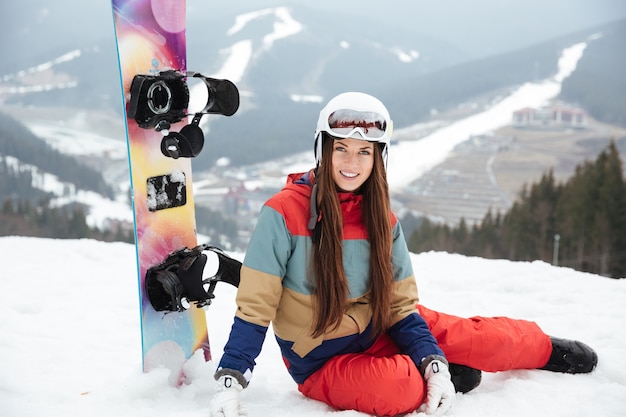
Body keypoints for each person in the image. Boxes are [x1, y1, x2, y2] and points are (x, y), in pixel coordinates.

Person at [209, 92, 598, 417]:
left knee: (475, 337)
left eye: (364, 152)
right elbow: (254, 307)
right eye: (340, 148)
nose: (351, 162)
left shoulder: (382, 219)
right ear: (322, 149)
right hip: (322, 362)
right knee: (398, 389)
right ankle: (436, 370)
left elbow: (400, 304)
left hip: (382, 325)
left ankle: (544, 349)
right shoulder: (282, 213)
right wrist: (232, 376)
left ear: (378, 158)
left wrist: (430, 357)